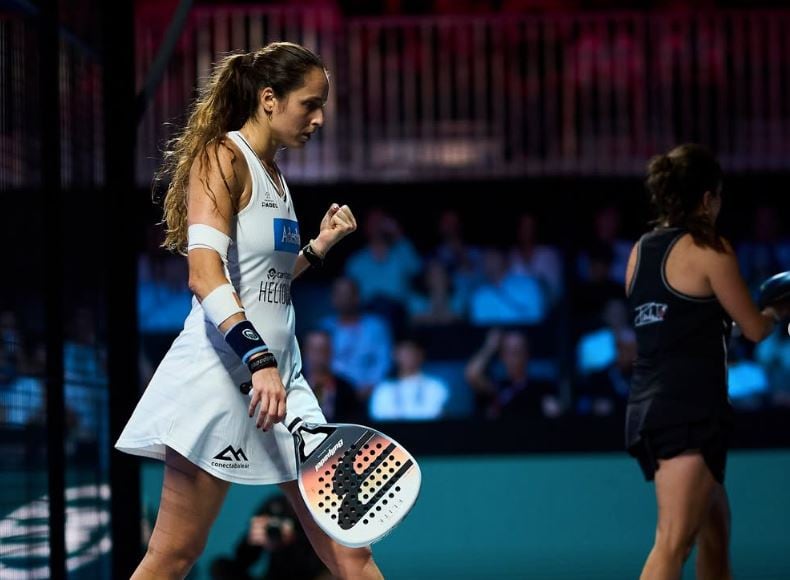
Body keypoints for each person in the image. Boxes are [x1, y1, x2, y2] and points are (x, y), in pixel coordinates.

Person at [115, 42, 382, 579]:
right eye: (309, 104)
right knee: (173, 557)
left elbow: (263, 283)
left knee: (349, 549)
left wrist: (316, 248)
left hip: (284, 385)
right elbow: (204, 273)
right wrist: (258, 359)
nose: (319, 118)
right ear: (268, 99)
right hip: (220, 378)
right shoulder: (222, 158)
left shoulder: (277, 177)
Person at [624, 143, 790, 580]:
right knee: (673, 542)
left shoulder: (639, 253)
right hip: (688, 410)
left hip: (650, 406)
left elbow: (680, 326)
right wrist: (777, 312)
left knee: (716, 526)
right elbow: (753, 329)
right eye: (718, 196)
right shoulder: (710, 249)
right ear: (706, 198)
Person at [210, 493, 330, 580]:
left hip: (314, 572)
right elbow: (242, 559)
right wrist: (252, 540)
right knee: (220, 566)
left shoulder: (323, 508)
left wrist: (295, 536)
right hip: (275, 573)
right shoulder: (274, 505)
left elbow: (327, 555)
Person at [368, 338, 450, 421]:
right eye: (404, 352)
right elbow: (379, 420)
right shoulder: (384, 389)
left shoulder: (436, 386)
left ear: (420, 354)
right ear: (395, 355)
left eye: (411, 351)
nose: (408, 356)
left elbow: (436, 416)